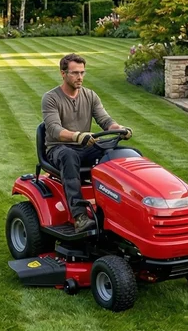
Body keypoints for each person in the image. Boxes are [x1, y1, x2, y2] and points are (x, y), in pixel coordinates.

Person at [42, 53, 131, 234]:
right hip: (59, 148)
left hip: (85, 146)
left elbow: (105, 121)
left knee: (124, 153)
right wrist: (77, 136)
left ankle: (121, 207)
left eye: (82, 73)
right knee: (69, 156)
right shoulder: (51, 98)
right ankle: (80, 217)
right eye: (75, 73)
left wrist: (120, 128)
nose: (80, 77)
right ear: (63, 73)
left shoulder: (90, 95)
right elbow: (54, 130)